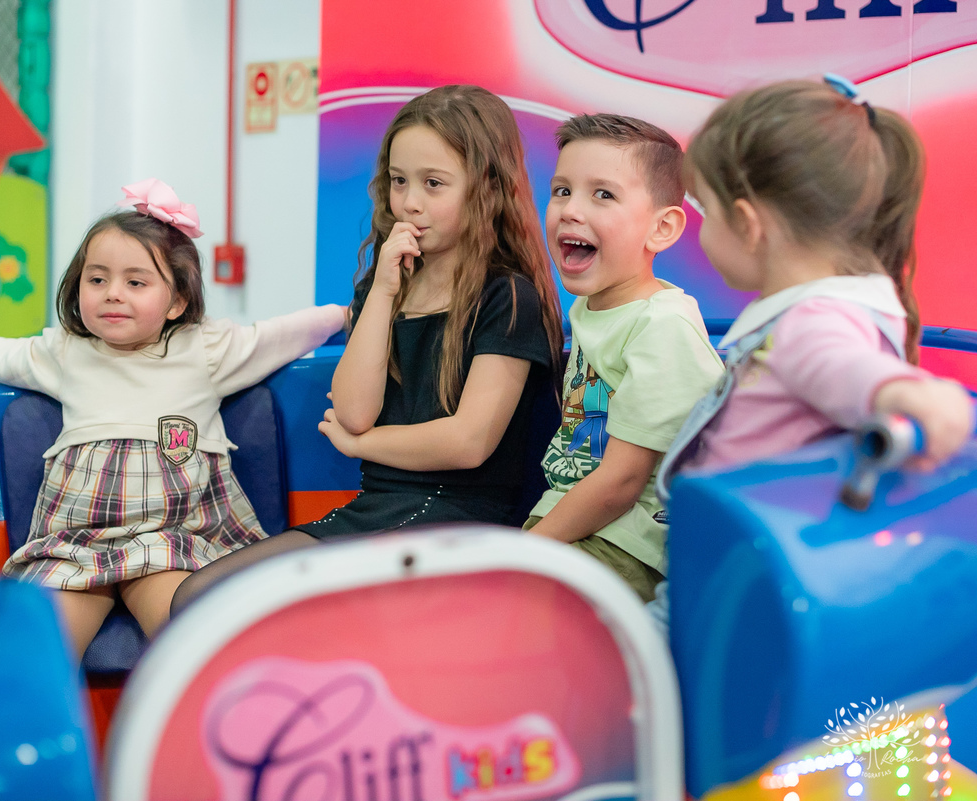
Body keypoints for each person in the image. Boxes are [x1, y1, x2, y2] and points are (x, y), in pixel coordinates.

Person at [169, 84, 565, 613]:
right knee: (202, 597)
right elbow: (354, 411)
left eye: (434, 184)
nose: (410, 202)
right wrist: (381, 291)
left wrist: (363, 446)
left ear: (485, 187)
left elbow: (469, 442)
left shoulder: (508, 295)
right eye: (399, 182)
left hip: (460, 521)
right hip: (377, 509)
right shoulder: (384, 282)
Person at [0, 179, 346, 658]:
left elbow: (280, 335)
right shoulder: (65, 351)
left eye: (135, 282)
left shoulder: (203, 349)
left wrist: (346, 316)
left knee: (196, 644)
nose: (112, 294)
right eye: (97, 280)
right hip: (75, 543)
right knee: (36, 653)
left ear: (177, 300)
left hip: (169, 537)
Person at [650, 77, 974, 631]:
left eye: (703, 212)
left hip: (730, 585)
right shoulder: (861, 302)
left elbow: (848, 368)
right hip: (760, 573)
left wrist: (909, 396)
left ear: (749, 225)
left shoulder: (810, 324)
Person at [522, 114, 724, 603]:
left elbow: (621, 482)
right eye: (562, 190)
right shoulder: (589, 305)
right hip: (570, 517)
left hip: (629, 542)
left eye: (603, 194)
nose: (570, 210)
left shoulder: (662, 326)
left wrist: (523, 553)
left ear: (662, 227)